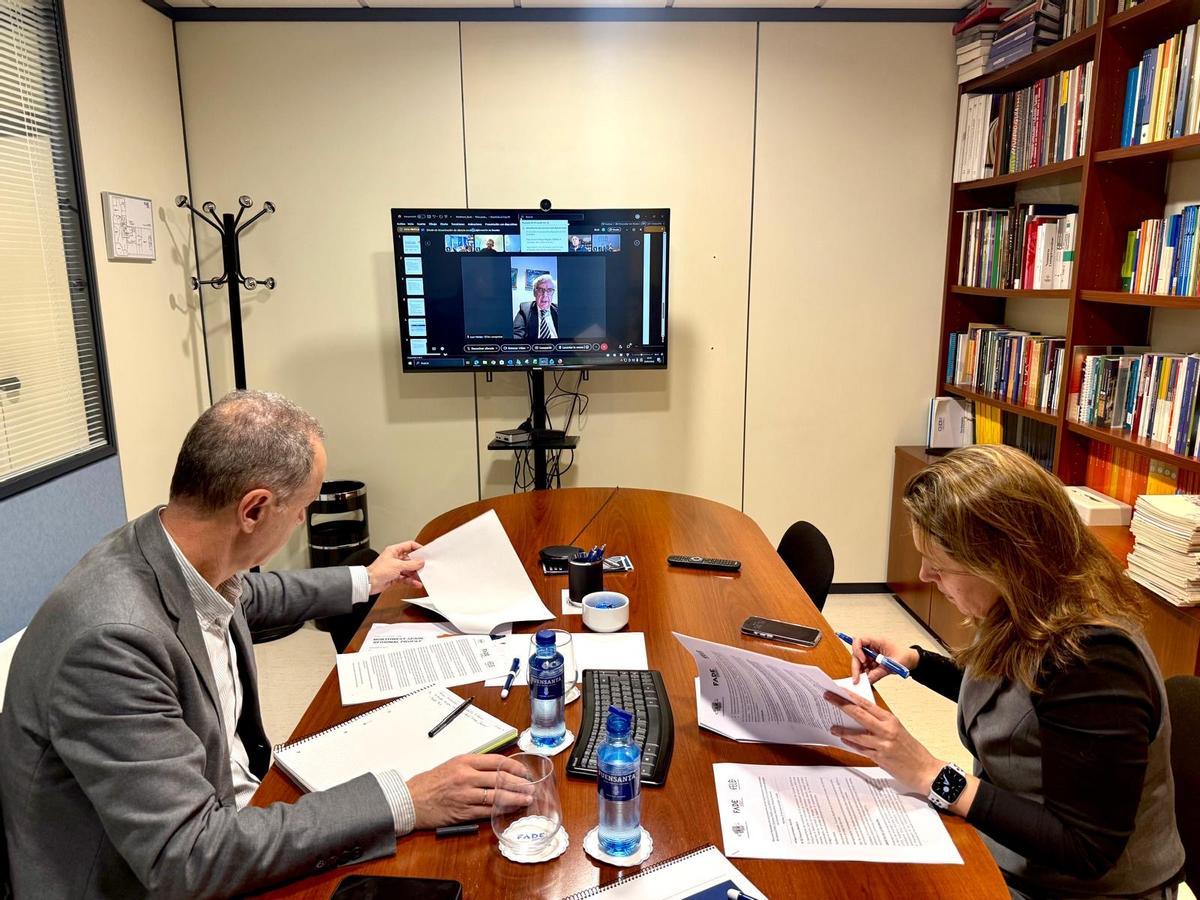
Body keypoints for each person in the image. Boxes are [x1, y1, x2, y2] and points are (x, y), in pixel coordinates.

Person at [0, 391, 531, 899]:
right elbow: (187, 858)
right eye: (300, 507)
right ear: (253, 510)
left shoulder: (168, 546)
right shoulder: (112, 644)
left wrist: (368, 580)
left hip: (226, 813)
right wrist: (409, 799)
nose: (303, 520)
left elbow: (252, 593)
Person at [824, 444, 1184, 899]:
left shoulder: (1095, 661)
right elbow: (1017, 700)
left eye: (940, 566)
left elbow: (1086, 849)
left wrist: (934, 775)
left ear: (1003, 562)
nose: (925, 575)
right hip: (1015, 853)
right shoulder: (1027, 606)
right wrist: (915, 660)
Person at [513, 274, 559, 340]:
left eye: (549, 290)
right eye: (540, 290)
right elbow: (517, 334)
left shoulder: (559, 310)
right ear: (534, 292)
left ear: (553, 293)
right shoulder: (525, 309)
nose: (545, 295)